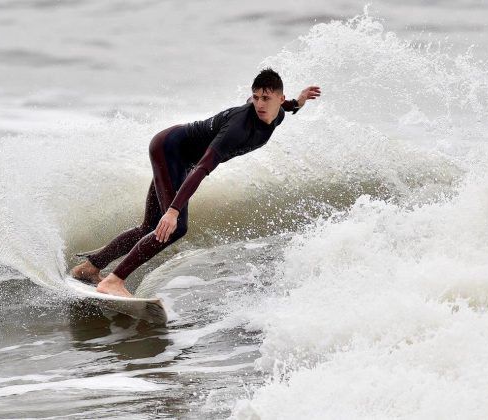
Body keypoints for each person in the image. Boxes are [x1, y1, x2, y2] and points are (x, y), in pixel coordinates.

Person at [70, 68, 321, 297]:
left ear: (279, 98)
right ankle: (114, 281)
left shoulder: (276, 115)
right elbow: (201, 168)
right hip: (170, 149)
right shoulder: (237, 130)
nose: (259, 104)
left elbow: (286, 107)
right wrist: (172, 211)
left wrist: (298, 101)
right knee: (175, 226)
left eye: (266, 98)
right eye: (255, 97)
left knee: (149, 225)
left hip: (176, 155)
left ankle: (89, 268)